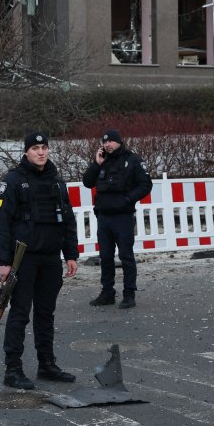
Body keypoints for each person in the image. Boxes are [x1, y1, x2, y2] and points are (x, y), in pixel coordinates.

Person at [0, 131, 80, 390]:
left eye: (44, 147)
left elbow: (68, 219)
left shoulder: (56, 181)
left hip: (51, 257)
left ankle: (47, 364)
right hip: (23, 259)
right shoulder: (13, 181)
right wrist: (3, 261)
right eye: (35, 148)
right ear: (26, 152)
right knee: (20, 314)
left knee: (46, 313)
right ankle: (13, 369)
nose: (41, 152)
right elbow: (2, 224)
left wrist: (71, 254)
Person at [81, 128, 152, 309]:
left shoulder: (132, 160)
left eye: (111, 141)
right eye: (104, 142)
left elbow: (145, 184)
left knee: (126, 256)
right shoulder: (102, 161)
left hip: (123, 216)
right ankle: (107, 293)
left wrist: (128, 199)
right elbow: (88, 182)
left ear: (119, 141)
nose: (107, 145)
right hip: (104, 216)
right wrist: (96, 164)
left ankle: (129, 294)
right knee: (105, 257)